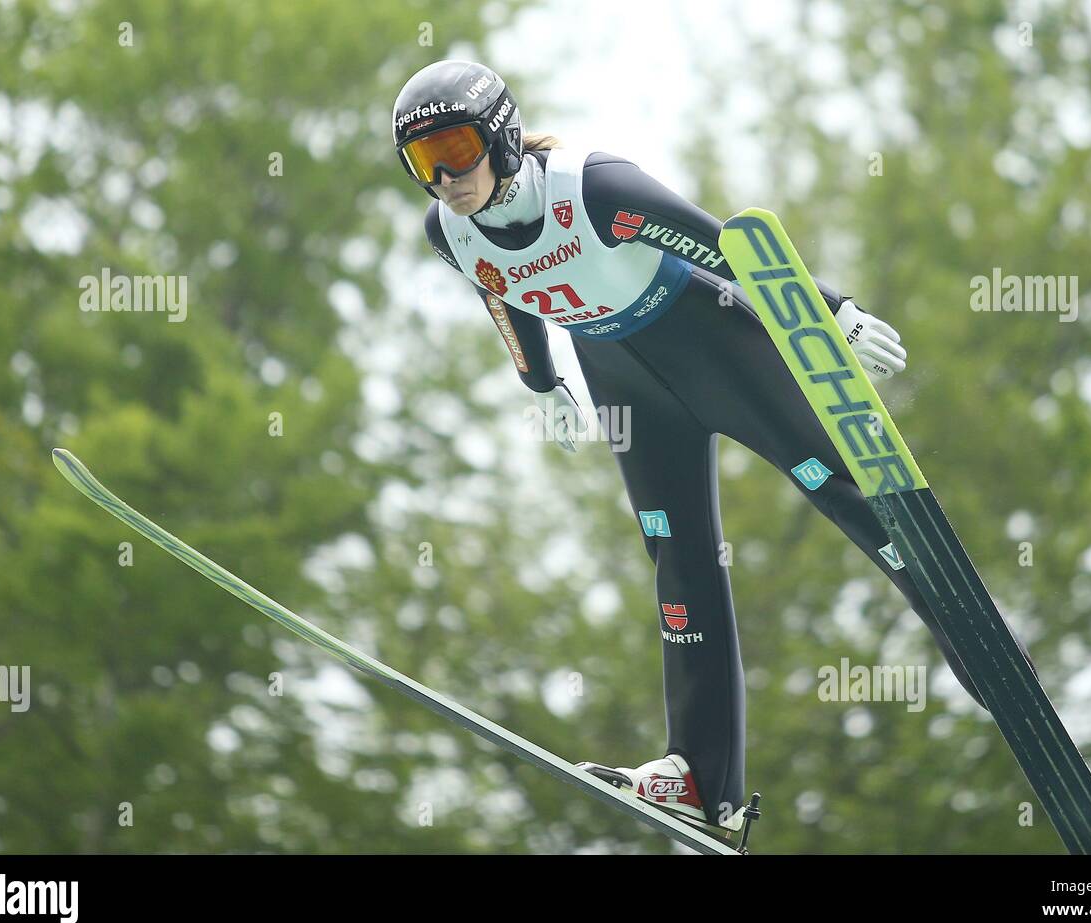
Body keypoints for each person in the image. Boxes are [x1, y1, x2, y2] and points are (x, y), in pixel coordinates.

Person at [393, 59, 1003, 830]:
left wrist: (829, 312)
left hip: (709, 341)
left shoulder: (597, 188)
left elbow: (729, 250)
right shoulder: (446, 231)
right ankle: (700, 777)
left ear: (501, 134)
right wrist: (541, 384)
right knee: (678, 559)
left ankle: (986, 655)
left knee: (839, 491)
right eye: (422, 162)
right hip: (623, 381)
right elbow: (502, 294)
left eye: (455, 149)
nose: (444, 176)